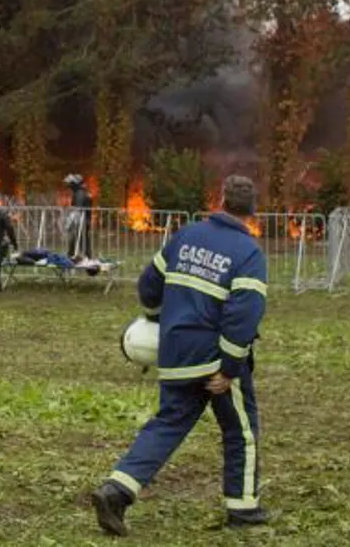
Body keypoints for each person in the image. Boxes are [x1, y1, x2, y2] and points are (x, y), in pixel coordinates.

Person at [91, 175, 272, 535]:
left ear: (221, 200)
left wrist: (158, 319)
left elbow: (148, 287)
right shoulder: (249, 253)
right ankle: (243, 508)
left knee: (169, 423)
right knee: (241, 431)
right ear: (252, 211)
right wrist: (230, 368)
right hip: (214, 361)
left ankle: (117, 491)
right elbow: (243, 316)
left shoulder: (186, 236)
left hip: (175, 355)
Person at [65, 173, 94, 259]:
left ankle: (85, 258)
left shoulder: (80, 193)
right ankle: (75, 256)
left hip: (82, 221)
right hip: (83, 220)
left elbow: (77, 209)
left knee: (81, 241)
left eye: (71, 184)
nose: (69, 186)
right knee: (80, 240)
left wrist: (69, 222)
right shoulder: (83, 192)